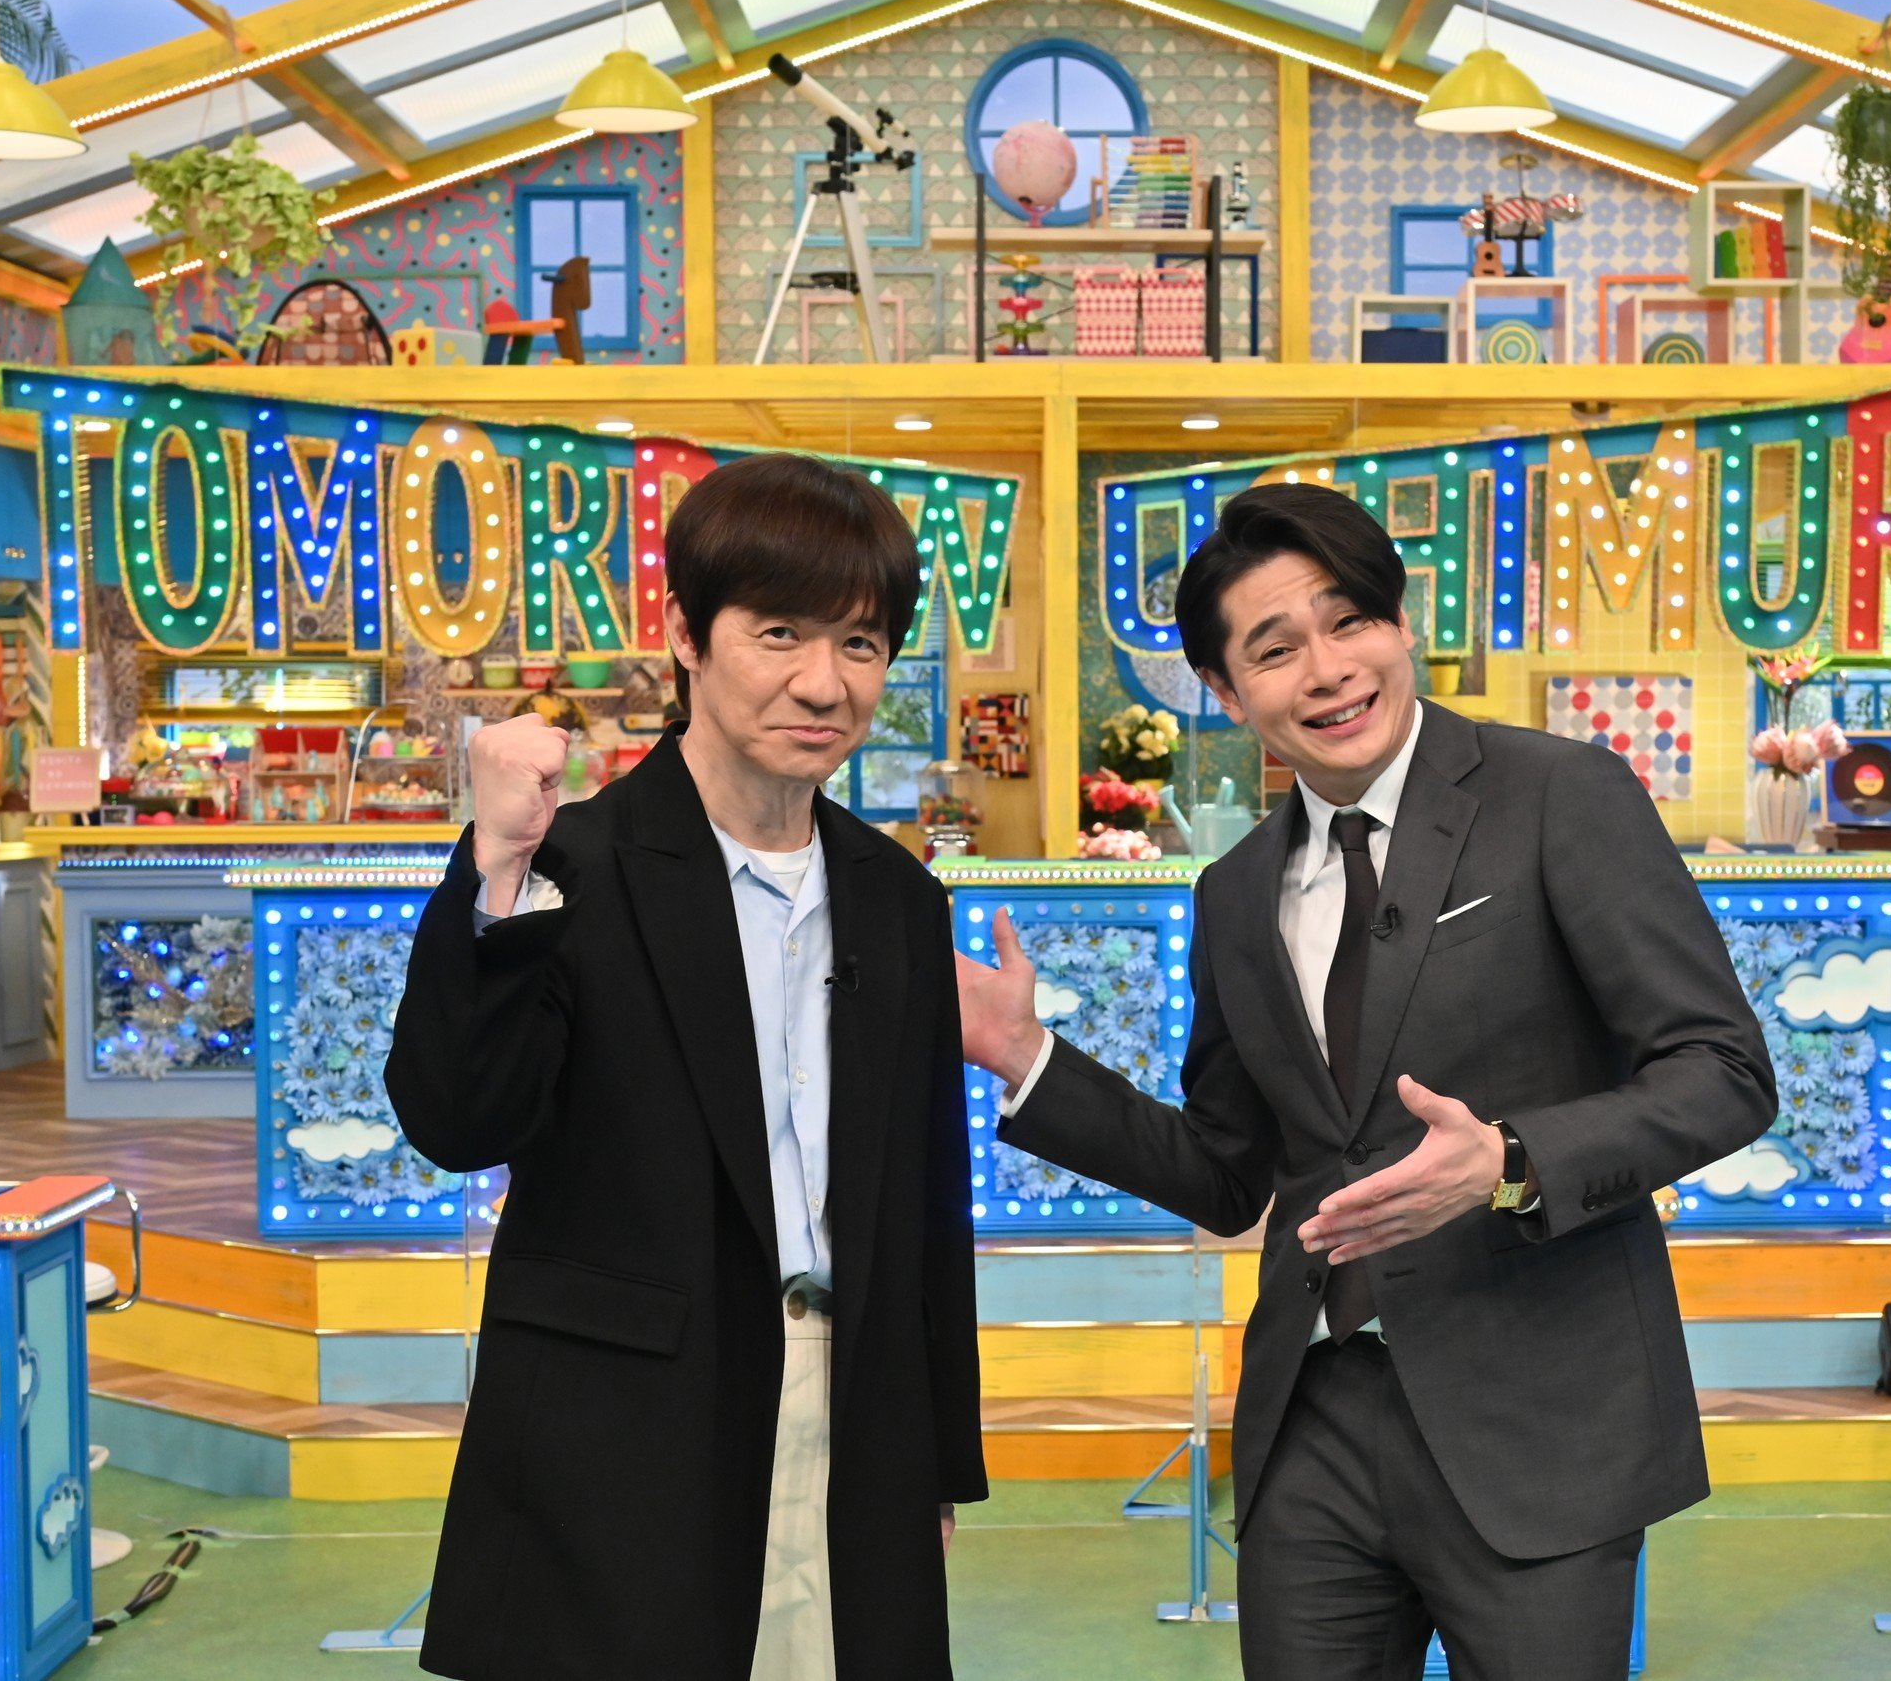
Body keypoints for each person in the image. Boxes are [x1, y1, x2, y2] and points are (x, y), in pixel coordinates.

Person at [959, 484, 1777, 1680]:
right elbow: (1231, 1173)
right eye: (1275, 649)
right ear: (1228, 693)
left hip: (1540, 1415)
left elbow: (1724, 1071)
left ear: (1401, 626)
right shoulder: (1235, 891)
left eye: (1349, 621)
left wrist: (1509, 1162)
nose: (1329, 669)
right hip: (1313, 1424)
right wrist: (1023, 1059)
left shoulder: (1559, 795)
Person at [386, 452, 985, 1680]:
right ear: (685, 637)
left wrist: (936, 1459)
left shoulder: (899, 899)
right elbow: (455, 1119)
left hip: (852, 1415)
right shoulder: (571, 865)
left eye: (861, 644)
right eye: (779, 633)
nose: (823, 683)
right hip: (624, 1430)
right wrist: (493, 867)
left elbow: (928, 1206)